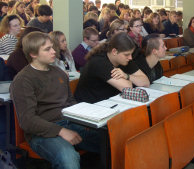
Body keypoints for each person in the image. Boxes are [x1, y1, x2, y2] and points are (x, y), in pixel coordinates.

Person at [10, 31, 102, 169]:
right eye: (47, 49)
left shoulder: (59, 73)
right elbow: (28, 121)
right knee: (68, 157)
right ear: (33, 54)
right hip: (42, 132)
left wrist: (87, 118)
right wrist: (61, 131)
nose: (54, 51)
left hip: (69, 122)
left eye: (53, 47)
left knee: (109, 139)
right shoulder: (23, 80)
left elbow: (70, 102)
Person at [74, 32, 150, 103]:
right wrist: (131, 79)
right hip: (88, 107)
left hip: (108, 103)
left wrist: (126, 76)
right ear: (114, 52)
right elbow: (128, 88)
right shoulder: (99, 61)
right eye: (127, 54)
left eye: (131, 54)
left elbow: (146, 82)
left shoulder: (125, 59)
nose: (130, 58)